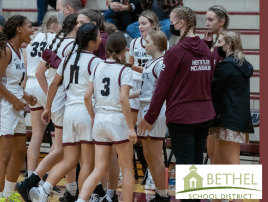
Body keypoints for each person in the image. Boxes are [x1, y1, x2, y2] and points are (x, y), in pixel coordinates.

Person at [137, 6, 216, 202]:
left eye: (171, 22)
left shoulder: (175, 52)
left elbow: (161, 89)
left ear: (180, 23)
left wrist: (149, 117)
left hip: (183, 116)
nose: (169, 26)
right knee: (196, 164)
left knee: (185, 166)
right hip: (204, 114)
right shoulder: (206, 48)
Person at [29, 23, 102, 202]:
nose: (101, 39)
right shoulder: (96, 62)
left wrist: (48, 107)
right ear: (92, 42)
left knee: (69, 160)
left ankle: (43, 191)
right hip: (85, 113)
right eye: (99, 36)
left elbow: (53, 83)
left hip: (69, 112)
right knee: (86, 162)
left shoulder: (69, 58)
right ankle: (82, 199)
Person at [16, 12, 74, 202]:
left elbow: (26, 66)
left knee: (36, 136)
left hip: (31, 83)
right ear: (55, 25)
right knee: (59, 140)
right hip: (46, 85)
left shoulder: (33, 39)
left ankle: (31, 175)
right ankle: (43, 179)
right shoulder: (57, 38)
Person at [75, 31, 136, 202]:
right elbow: (124, 98)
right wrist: (131, 127)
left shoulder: (97, 66)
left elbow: (87, 96)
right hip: (117, 120)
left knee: (98, 169)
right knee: (127, 170)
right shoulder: (125, 70)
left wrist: (93, 116)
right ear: (125, 49)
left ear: (107, 49)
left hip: (100, 118)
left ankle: (81, 200)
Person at [0, 15, 36, 202]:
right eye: (30, 26)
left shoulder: (20, 51)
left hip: (14, 103)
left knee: (20, 152)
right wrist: (15, 100)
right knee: (3, 155)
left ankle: (8, 194)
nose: (33, 30)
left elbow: (13, 82)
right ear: (19, 29)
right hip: (1, 105)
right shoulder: (5, 51)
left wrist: (25, 96)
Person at [209, 31, 254, 202]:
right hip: (236, 119)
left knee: (231, 164)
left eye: (219, 42)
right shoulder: (243, 65)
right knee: (221, 163)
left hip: (228, 119)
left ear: (228, 45)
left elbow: (213, 91)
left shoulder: (227, 66)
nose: (216, 45)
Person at [130, 30, 169, 201]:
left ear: (157, 44)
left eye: (147, 42)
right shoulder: (150, 63)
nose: (144, 45)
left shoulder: (162, 64)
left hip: (155, 111)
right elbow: (145, 90)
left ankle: (163, 194)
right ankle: (159, 193)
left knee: (155, 155)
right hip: (144, 108)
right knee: (147, 154)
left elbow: (162, 92)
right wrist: (125, 95)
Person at [203, 5, 230, 165]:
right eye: (206, 19)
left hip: (222, 103)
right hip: (210, 101)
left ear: (221, 21)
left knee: (222, 155)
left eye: (210, 19)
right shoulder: (211, 42)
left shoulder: (228, 42)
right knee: (212, 153)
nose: (207, 23)